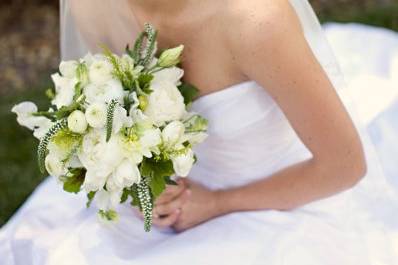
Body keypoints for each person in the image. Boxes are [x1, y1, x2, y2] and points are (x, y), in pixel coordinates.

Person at [1, 0, 397, 264]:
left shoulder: (255, 20)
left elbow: (346, 167)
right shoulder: (93, 5)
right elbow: (116, 111)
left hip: (289, 198)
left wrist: (217, 203)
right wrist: (146, 180)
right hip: (174, 205)